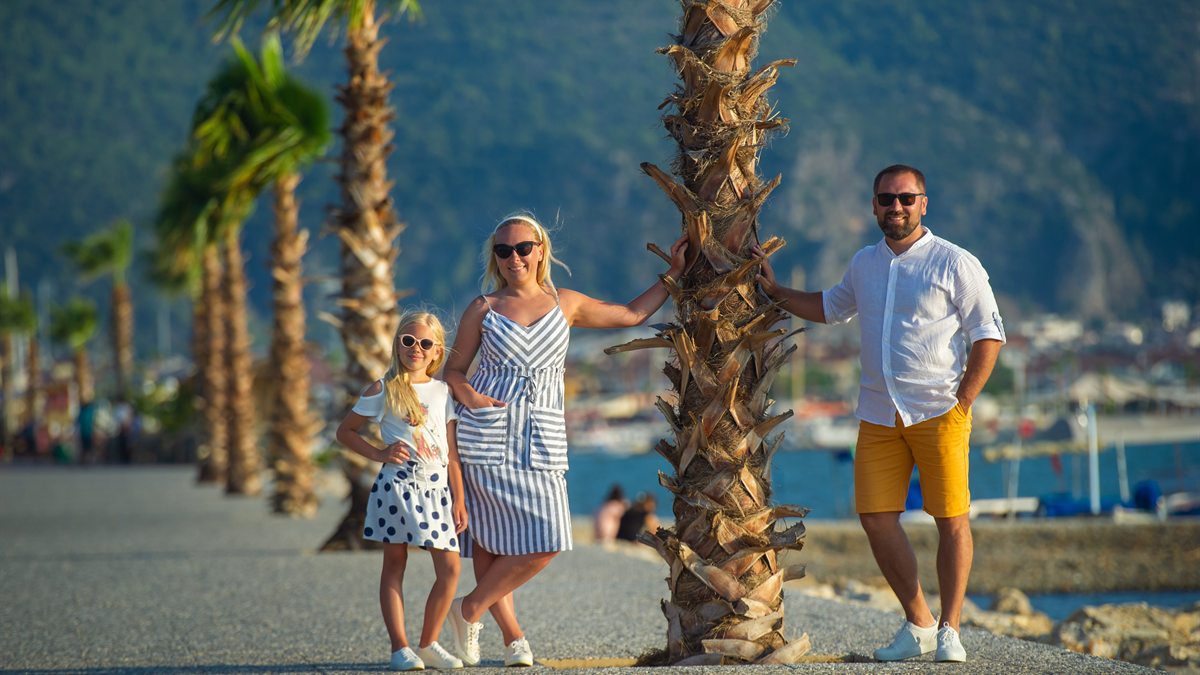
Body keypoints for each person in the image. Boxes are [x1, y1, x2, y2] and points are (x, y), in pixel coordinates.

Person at [755, 165, 1004, 664]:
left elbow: (988, 335)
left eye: (906, 198)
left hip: (938, 411)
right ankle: (920, 623)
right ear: (873, 205)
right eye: (887, 199)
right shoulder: (864, 263)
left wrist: (963, 401)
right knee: (874, 517)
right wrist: (776, 291)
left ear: (924, 203)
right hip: (877, 413)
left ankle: (951, 629)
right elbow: (830, 307)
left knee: (951, 520)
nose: (897, 207)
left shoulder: (956, 263)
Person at [442, 212, 686, 667]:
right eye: (503, 250)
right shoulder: (483, 308)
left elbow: (631, 314)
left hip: (544, 438)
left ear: (540, 251)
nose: (514, 257)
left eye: (523, 248)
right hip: (486, 434)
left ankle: (468, 608)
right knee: (490, 542)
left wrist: (672, 273)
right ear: (495, 257)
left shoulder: (565, 303)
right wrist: (470, 394)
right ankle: (513, 640)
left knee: (549, 538)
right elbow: (452, 372)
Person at [336, 310, 470, 671]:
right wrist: (379, 454)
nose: (416, 348)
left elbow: (452, 454)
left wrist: (459, 499)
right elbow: (345, 431)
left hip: (437, 492)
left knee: (450, 569)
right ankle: (400, 648)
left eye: (425, 343)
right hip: (397, 489)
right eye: (408, 340)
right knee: (394, 565)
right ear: (397, 344)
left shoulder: (443, 392)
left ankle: (428, 644)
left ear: (437, 351)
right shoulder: (383, 388)